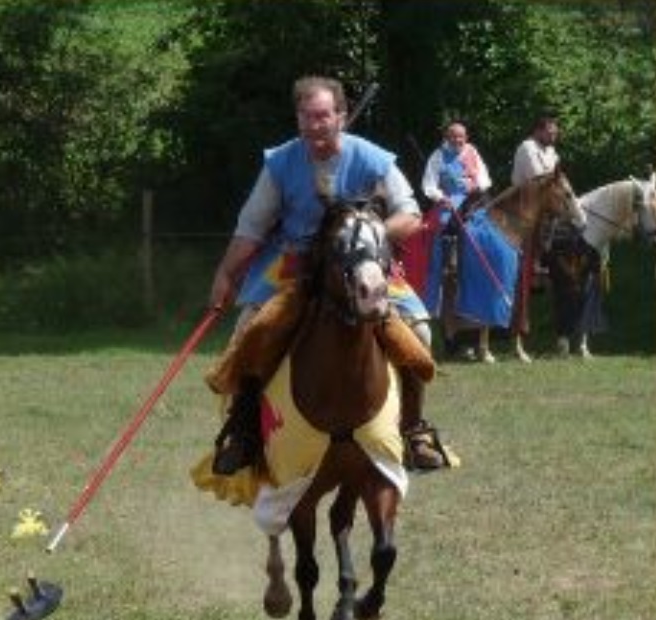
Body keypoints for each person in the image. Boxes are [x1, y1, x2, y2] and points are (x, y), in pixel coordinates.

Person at [207, 75, 453, 477]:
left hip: (363, 261)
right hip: (297, 262)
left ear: (340, 116)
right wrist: (224, 274)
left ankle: (413, 429)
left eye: (322, 116)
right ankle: (245, 426)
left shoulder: (373, 158)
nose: (313, 125)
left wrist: (367, 236)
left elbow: (409, 213)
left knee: (421, 332)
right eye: (306, 116)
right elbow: (251, 227)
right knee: (249, 328)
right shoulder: (281, 163)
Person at [421, 121, 493, 361]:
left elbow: (485, 178)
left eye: (462, 137)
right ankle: (444, 261)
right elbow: (428, 184)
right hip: (449, 204)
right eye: (454, 137)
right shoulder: (438, 155)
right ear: (447, 136)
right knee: (443, 227)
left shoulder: (472, 152)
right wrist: (442, 197)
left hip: (473, 201)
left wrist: (476, 186)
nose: (458, 141)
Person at [509, 114, 563, 362]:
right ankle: (532, 261)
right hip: (524, 204)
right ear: (538, 131)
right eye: (550, 133)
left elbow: (557, 179)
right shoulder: (527, 147)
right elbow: (541, 177)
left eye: (555, 133)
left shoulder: (552, 152)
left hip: (545, 207)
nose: (554, 137)